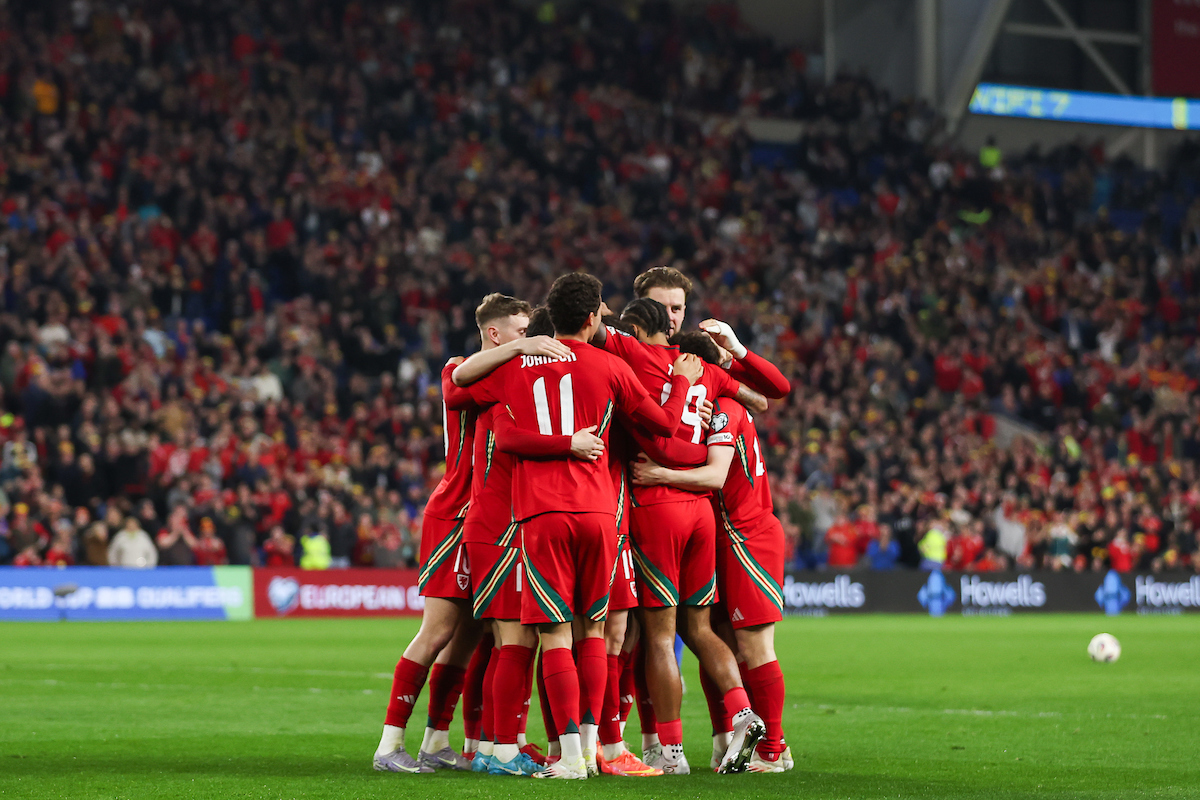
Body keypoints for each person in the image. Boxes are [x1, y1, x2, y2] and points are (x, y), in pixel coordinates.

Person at [462, 272, 701, 780]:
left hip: (542, 516)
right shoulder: (612, 366)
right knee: (595, 632)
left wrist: (517, 349)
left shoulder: (518, 366)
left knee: (554, 637)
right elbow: (662, 427)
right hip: (598, 515)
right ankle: (597, 749)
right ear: (593, 318)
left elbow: (465, 384)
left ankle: (568, 756)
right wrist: (682, 382)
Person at [374, 295, 569, 775]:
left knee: (469, 639)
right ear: (496, 334)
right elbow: (456, 389)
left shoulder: (507, 372)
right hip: (455, 515)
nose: (531, 340)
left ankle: (437, 740)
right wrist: (522, 353)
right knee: (436, 631)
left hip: (489, 518)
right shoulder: (463, 367)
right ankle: (388, 745)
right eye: (523, 332)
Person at [631, 330, 792, 773]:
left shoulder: (723, 409)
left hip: (746, 535)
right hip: (720, 535)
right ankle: (730, 740)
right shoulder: (711, 409)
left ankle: (774, 748)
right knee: (709, 634)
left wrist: (659, 473)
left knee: (755, 646)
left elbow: (716, 476)